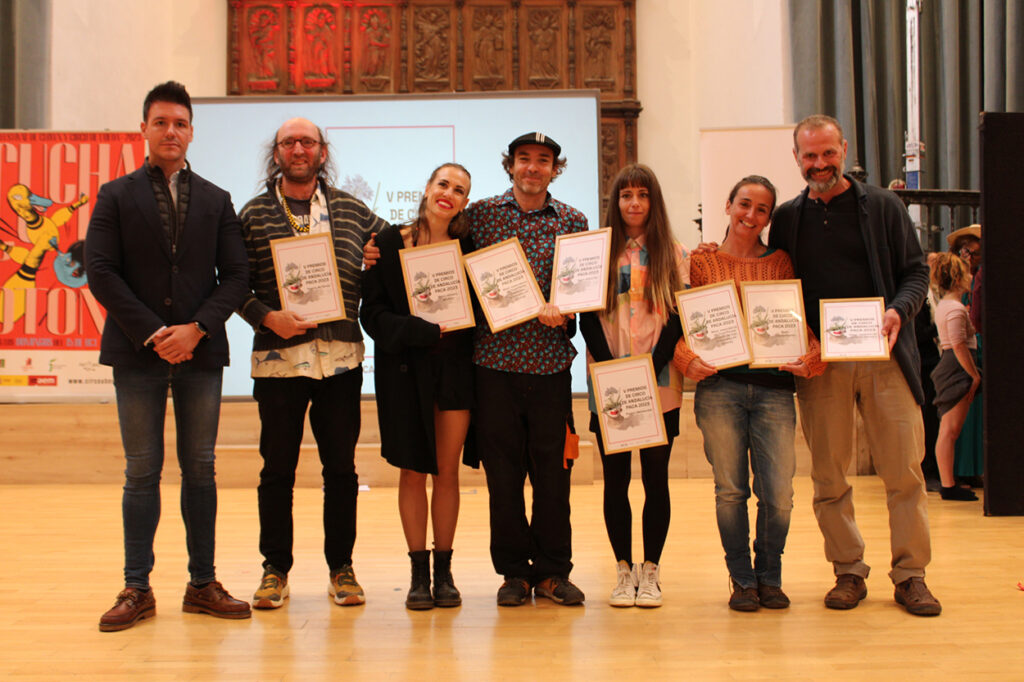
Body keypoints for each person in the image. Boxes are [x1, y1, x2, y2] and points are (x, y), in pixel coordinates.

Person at [367, 133, 589, 605]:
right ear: (510, 166)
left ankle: (552, 572)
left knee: (553, 475)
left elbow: (581, 289)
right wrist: (375, 252)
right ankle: (512, 574)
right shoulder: (481, 218)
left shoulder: (573, 220)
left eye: (543, 161)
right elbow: (432, 264)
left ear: (555, 168)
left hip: (549, 365)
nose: (533, 168)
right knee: (502, 477)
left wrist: (568, 310)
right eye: (524, 159)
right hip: (491, 366)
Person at [87, 81, 251, 632]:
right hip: (138, 355)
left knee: (200, 470)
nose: (171, 132)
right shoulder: (114, 195)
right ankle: (137, 587)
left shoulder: (216, 198)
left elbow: (237, 277)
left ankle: (202, 584)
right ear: (144, 129)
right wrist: (158, 332)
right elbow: (101, 272)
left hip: (200, 357)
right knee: (142, 472)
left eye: (180, 123)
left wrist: (197, 328)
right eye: (161, 122)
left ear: (191, 132)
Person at [769, 114, 940, 616]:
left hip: (885, 357)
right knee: (829, 476)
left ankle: (911, 576)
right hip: (822, 364)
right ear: (796, 158)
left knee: (905, 473)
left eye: (828, 153)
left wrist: (897, 312)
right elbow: (780, 287)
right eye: (809, 156)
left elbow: (915, 272)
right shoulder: (786, 217)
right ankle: (848, 570)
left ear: (844, 148)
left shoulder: (885, 206)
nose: (819, 164)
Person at [237, 117, 387, 609]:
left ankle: (341, 569)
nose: (298, 148)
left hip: (340, 362)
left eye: (307, 141)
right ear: (275, 152)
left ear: (323, 152)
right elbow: (232, 283)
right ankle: (274, 570)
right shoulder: (254, 214)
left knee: (340, 471)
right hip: (279, 363)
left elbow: (401, 248)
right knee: (276, 470)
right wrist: (265, 316)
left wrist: (378, 255)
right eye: (288, 141)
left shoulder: (351, 209)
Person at [675, 175, 824, 612]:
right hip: (719, 389)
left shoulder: (780, 262)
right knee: (730, 491)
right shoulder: (701, 262)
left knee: (778, 493)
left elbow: (794, 323)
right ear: (727, 205)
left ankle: (770, 576)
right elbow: (683, 328)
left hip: (775, 390)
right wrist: (687, 360)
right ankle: (742, 579)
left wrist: (813, 358)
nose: (751, 215)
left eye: (762, 210)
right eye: (744, 204)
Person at [360, 163, 475, 609]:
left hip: (455, 372)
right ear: (426, 189)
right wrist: (418, 330)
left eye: (459, 190)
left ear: (465, 202)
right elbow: (372, 315)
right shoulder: (387, 243)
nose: (449, 193)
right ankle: (417, 575)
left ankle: (444, 572)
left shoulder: (470, 246)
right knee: (412, 471)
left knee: (447, 473)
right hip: (404, 374)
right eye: (443, 184)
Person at [579, 164, 688, 608]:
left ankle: (652, 571)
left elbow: (680, 316)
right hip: (609, 383)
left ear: (653, 201)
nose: (634, 203)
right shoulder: (597, 253)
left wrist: (650, 366)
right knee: (616, 481)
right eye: (626, 195)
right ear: (615, 202)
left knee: (656, 480)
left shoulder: (673, 253)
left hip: (659, 384)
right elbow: (586, 315)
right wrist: (610, 371)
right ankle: (623, 569)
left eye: (643, 195)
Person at [928, 253, 981, 501]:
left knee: (949, 430)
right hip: (956, 366)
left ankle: (948, 483)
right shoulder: (955, 309)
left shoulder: (949, 306)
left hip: (953, 364)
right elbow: (959, 345)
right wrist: (973, 374)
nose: (971, 277)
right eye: (967, 273)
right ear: (959, 278)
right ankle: (948, 485)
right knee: (950, 429)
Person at [946, 224, 983, 487]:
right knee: (960, 414)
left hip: (974, 343)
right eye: (968, 251)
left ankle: (973, 468)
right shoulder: (958, 280)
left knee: (974, 412)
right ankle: (960, 470)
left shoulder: (978, 276)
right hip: (964, 346)